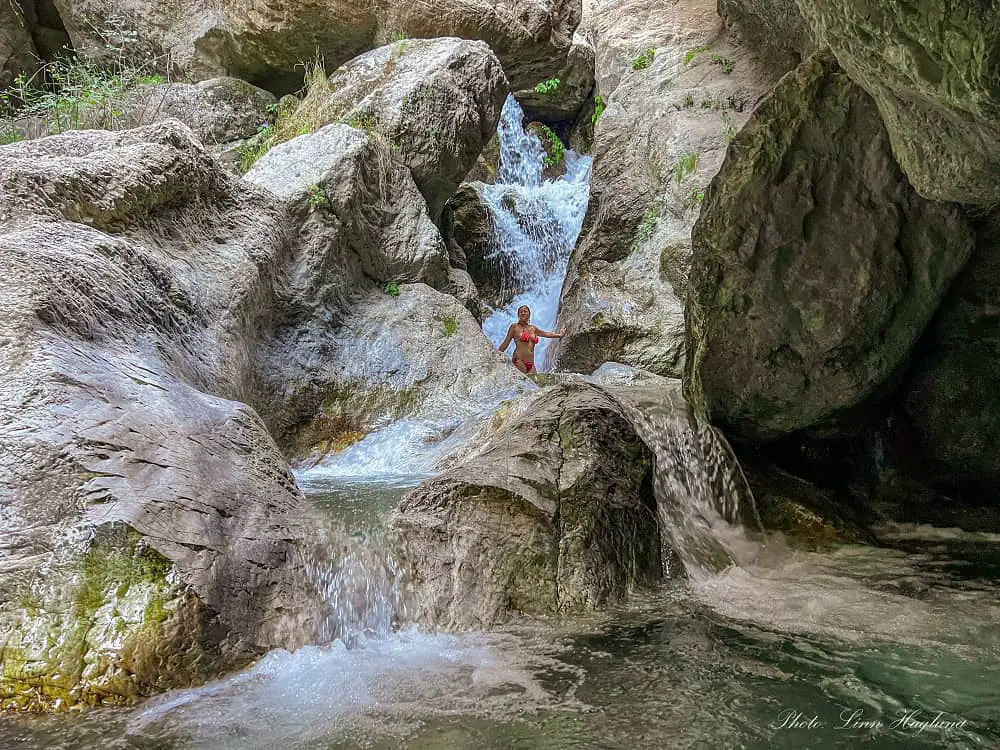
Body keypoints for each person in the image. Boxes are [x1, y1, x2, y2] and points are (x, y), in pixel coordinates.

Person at [498, 305, 565, 373]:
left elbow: (545, 334)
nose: (523, 313)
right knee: (523, 382)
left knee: (534, 383)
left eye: (525, 311)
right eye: (521, 312)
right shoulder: (514, 327)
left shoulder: (533, 328)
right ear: (518, 315)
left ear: (529, 314)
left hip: (531, 363)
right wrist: (497, 354)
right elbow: (506, 342)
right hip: (519, 361)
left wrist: (559, 335)